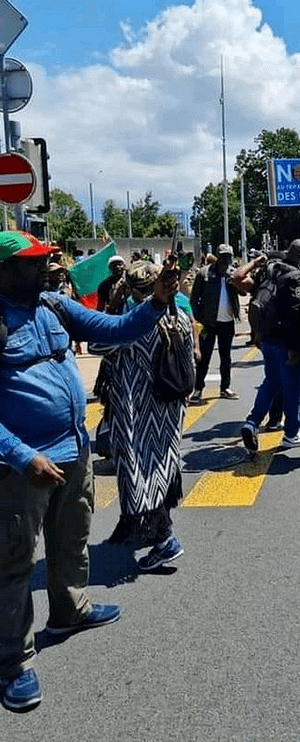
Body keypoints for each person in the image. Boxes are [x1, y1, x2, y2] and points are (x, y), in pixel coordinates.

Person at [0, 230, 178, 713]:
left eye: (44, 261)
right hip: (21, 467)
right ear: (3, 270)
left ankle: (70, 610)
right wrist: (21, 456)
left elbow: (112, 330)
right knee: (14, 562)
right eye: (31, 263)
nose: (44, 269)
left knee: (72, 538)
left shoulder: (53, 306)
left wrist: (157, 303)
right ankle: (13, 661)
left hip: (73, 450)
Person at [93, 262, 192, 569]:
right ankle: (151, 529)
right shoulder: (181, 317)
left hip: (138, 410)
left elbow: (97, 343)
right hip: (170, 406)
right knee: (163, 466)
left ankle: (164, 539)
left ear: (133, 291)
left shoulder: (132, 323)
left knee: (141, 471)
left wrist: (114, 303)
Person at [236, 242, 300, 454]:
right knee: (294, 389)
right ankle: (292, 433)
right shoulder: (296, 277)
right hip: (287, 342)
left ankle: (252, 422)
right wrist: (294, 347)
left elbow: (241, 282)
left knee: (271, 383)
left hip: (266, 339)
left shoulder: (269, 270)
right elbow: (295, 313)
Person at [190, 243, 242, 402]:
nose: (226, 260)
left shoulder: (232, 274)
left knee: (226, 357)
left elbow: (243, 291)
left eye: (229, 257)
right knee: (204, 357)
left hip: (227, 322)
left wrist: (236, 281)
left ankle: (225, 387)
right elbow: (194, 299)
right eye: (223, 256)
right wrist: (196, 322)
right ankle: (198, 389)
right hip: (207, 323)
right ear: (218, 257)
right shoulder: (204, 274)